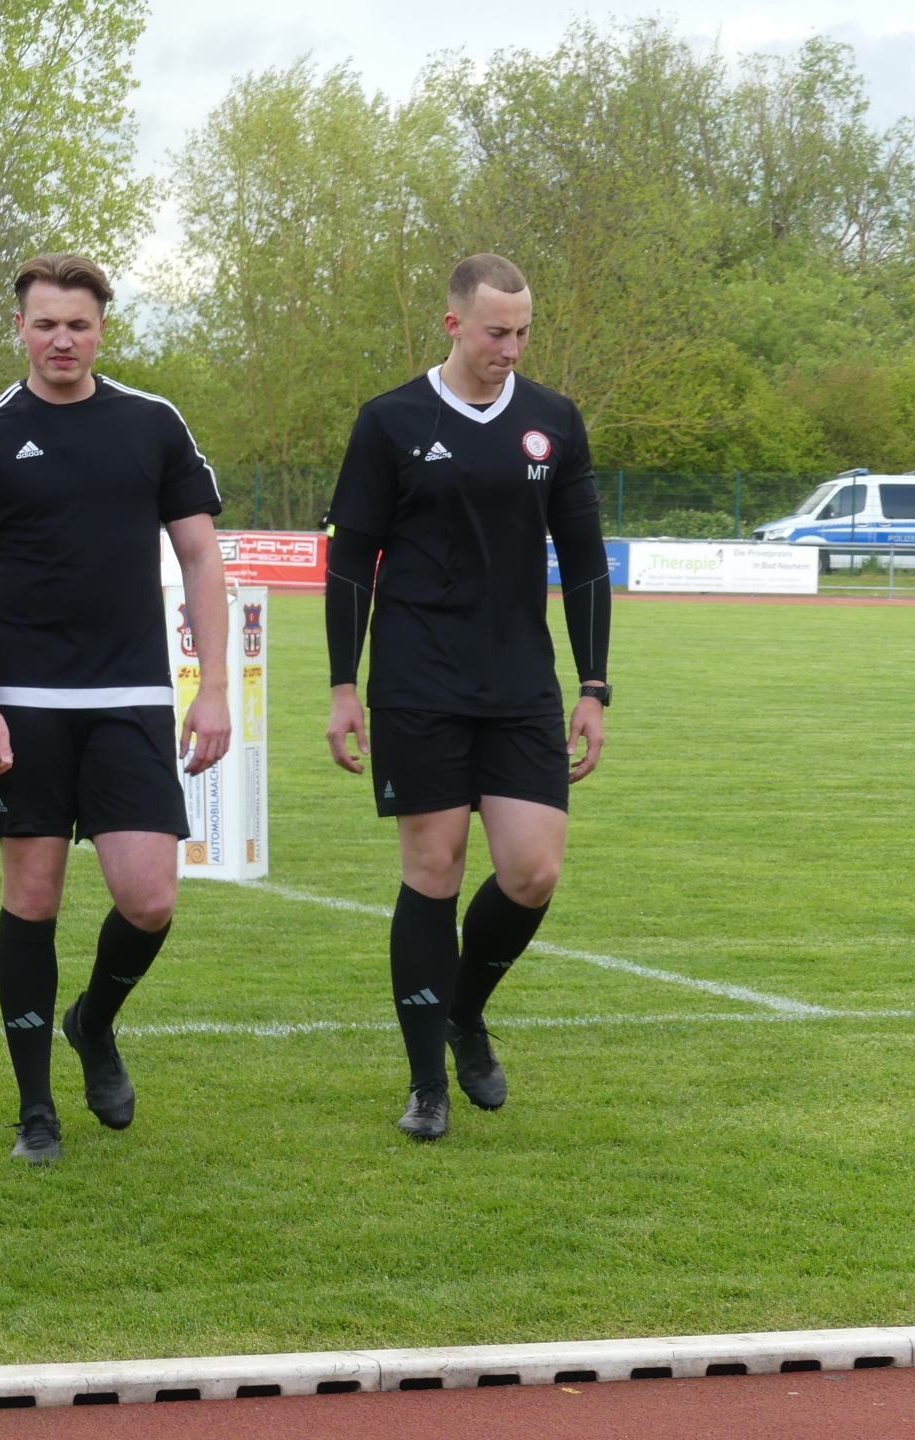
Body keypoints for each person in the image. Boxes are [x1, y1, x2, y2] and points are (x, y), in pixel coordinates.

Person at [0, 252, 231, 1166]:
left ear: (102, 328)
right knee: (32, 898)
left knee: (149, 898)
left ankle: (93, 1021)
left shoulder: (153, 424)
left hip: (133, 696)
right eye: (45, 323)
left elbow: (201, 558)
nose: (62, 340)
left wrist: (214, 686)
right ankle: (36, 1111)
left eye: (78, 324)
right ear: (20, 328)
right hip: (23, 703)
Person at [324, 253, 611, 1141]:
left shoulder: (554, 420)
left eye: (522, 333)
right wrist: (343, 685)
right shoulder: (390, 420)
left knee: (533, 871)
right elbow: (350, 560)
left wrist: (593, 686)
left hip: (521, 683)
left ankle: (464, 1011)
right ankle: (425, 1087)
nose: (510, 349)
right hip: (418, 681)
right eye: (496, 332)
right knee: (434, 868)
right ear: (453, 324)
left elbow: (586, 562)